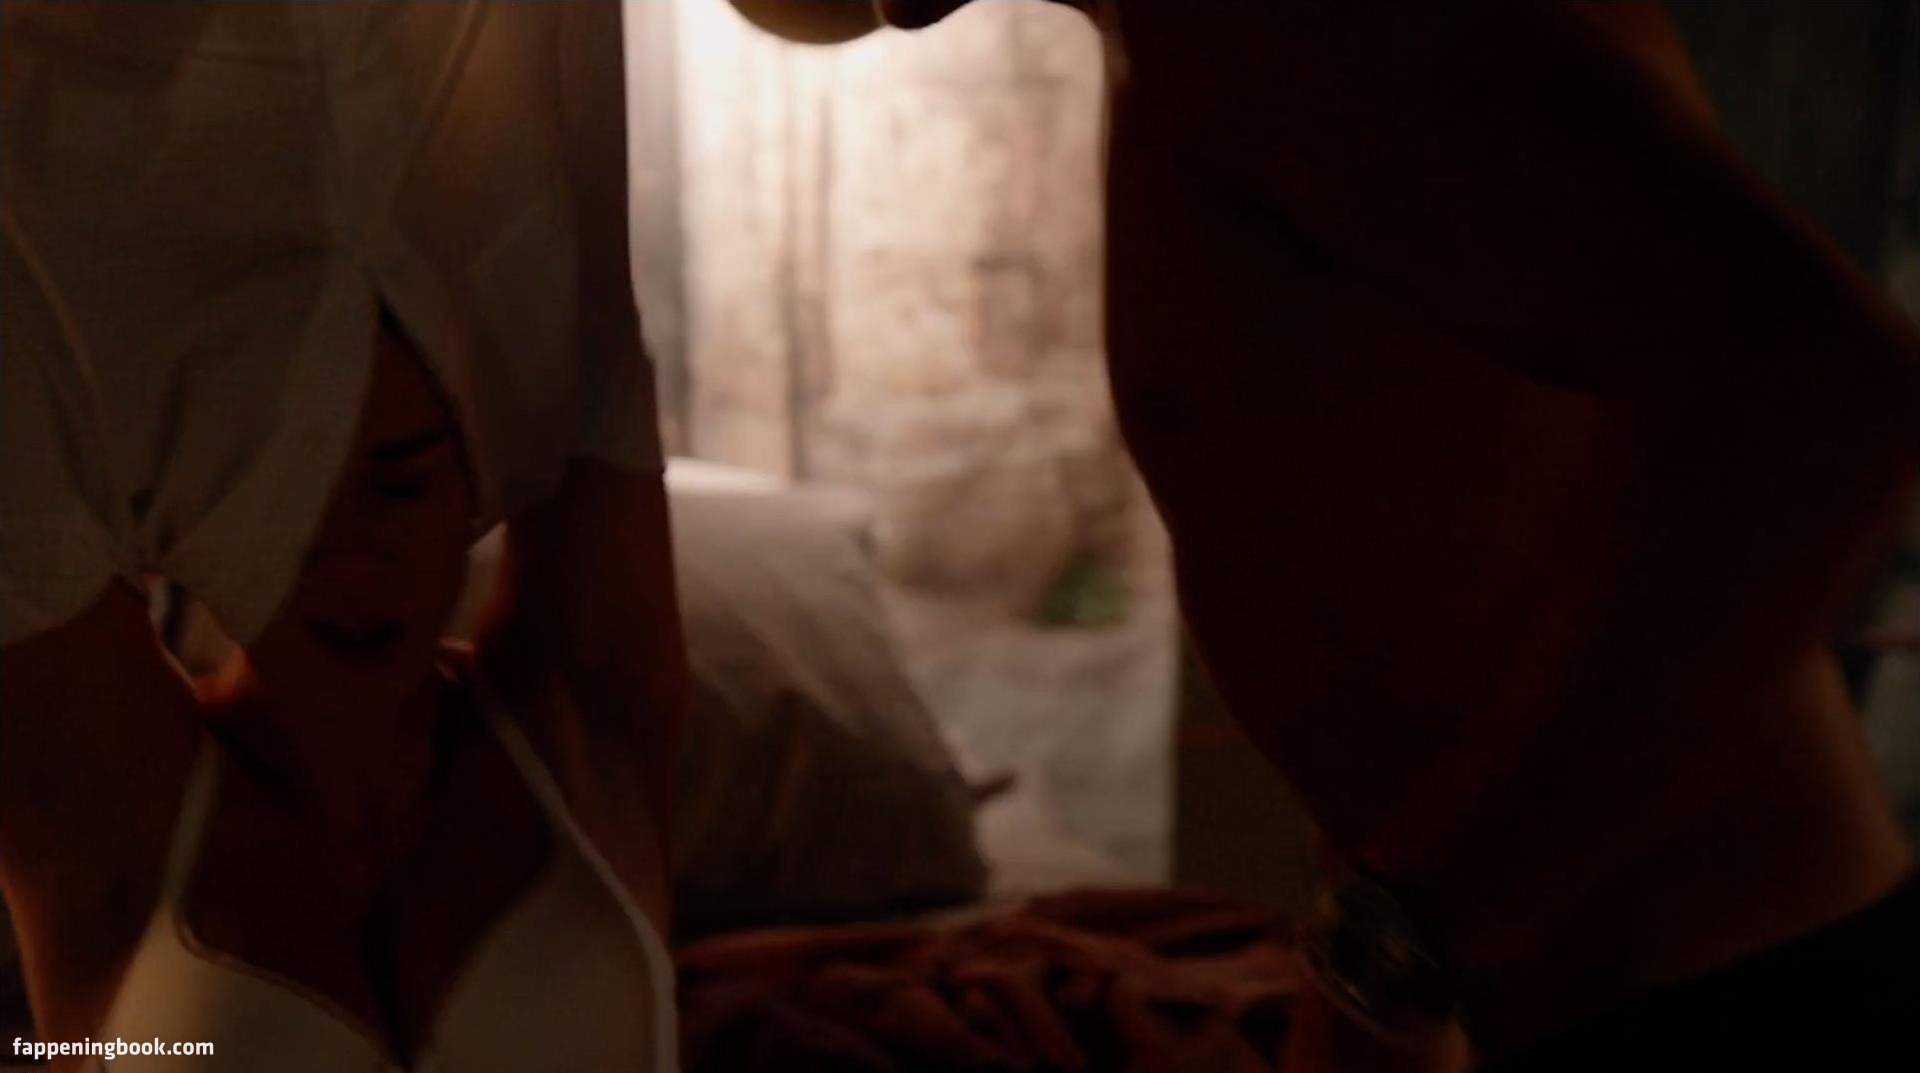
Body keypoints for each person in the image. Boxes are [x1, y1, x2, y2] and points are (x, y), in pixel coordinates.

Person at [761, 0, 1920, 1067]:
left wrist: (1406, 938)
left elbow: (1831, 402)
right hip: (1560, 976)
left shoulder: (1299, 23)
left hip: (1712, 990)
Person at [1, 2, 683, 1067]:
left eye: (399, 486)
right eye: (279, 501)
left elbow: (588, 286)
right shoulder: (100, 801)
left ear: (476, 480)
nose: (352, 558)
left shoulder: (581, 715)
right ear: (197, 510)